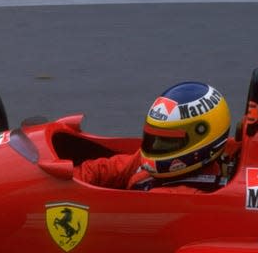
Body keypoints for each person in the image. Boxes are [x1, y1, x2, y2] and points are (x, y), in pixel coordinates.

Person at [76, 81, 237, 190]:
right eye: (153, 138)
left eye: (167, 141)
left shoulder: (182, 196)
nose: (156, 145)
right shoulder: (155, 163)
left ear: (201, 142)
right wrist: (72, 177)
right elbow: (110, 168)